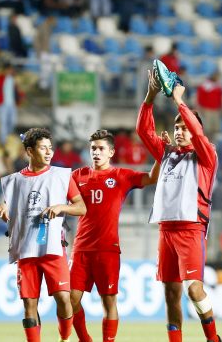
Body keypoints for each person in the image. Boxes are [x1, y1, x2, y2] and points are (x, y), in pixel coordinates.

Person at [136, 70, 222, 342]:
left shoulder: (206, 155)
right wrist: (150, 96)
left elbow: (197, 131)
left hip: (190, 229)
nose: (180, 131)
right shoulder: (167, 153)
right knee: (171, 294)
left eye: (185, 127)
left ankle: (213, 338)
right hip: (166, 229)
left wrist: (178, 100)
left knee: (194, 290)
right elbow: (143, 130)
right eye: (177, 128)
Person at [0, 127, 86, 342]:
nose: (48, 152)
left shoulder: (62, 176)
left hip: (53, 247)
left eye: (50, 148)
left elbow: (81, 208)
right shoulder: (13, 180)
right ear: (29, 151)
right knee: (29, 303)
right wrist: (3, 208)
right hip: (26, 250)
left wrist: (61, 207)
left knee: (64, 298)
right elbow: (7, 206)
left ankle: (65, 337)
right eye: (43, 148)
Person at [68, 129, 160, 342]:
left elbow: (152, 178)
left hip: (107, 249)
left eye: (101, 149)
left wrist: (158, 154)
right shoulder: (77, 175)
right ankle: (85, 339)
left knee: (108, 302)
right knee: (70, 299)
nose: (96, 153)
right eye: (93, 148)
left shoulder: (122, 176)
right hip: (81, 248)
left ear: (111, 152)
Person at [0, 63, 24, 147]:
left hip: (12, 104)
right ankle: (3, 142)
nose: (10, 71)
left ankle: (9, 138)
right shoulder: (0, 78)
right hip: (2, 103)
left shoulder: (14, 79)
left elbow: (19, 90)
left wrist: (20, 97)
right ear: (5, 70)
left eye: (11, 70)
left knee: (12, 122)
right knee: (3, 123)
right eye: (9, 69)